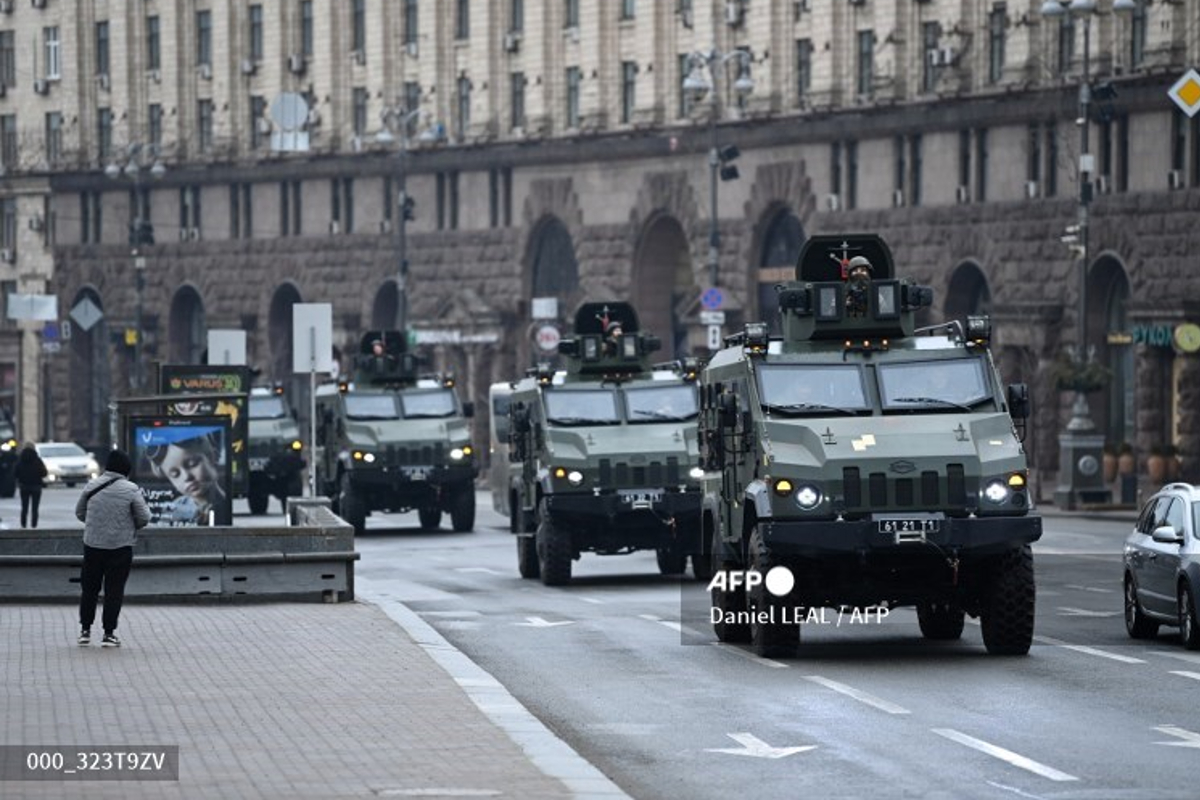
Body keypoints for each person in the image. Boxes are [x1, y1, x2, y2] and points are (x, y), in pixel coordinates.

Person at [75, 449, 150, 648]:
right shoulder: (131, 489)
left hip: (93, 545)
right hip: (120, 547)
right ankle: (108, 634)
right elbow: (144, 517)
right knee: (114, 591)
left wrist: (95, 525)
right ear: (126, 468)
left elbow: (80, 513)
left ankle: (85, 631)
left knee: (89, 589)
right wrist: (128, 526)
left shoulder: (91, 486)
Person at [146, 433, 227, 525]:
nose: (187, 477)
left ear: (213, 456)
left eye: (192, 464)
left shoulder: (226, 505)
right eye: (175, 475)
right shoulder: (175, 507)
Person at [15, 444, 47, 529]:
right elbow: (44, 473)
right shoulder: (38, 460)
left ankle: (23, 524)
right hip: (36, 486)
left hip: (24, 486)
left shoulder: (20, 460)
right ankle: (34, 524)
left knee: (24, 507)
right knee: (35, 507)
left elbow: (15, 473)